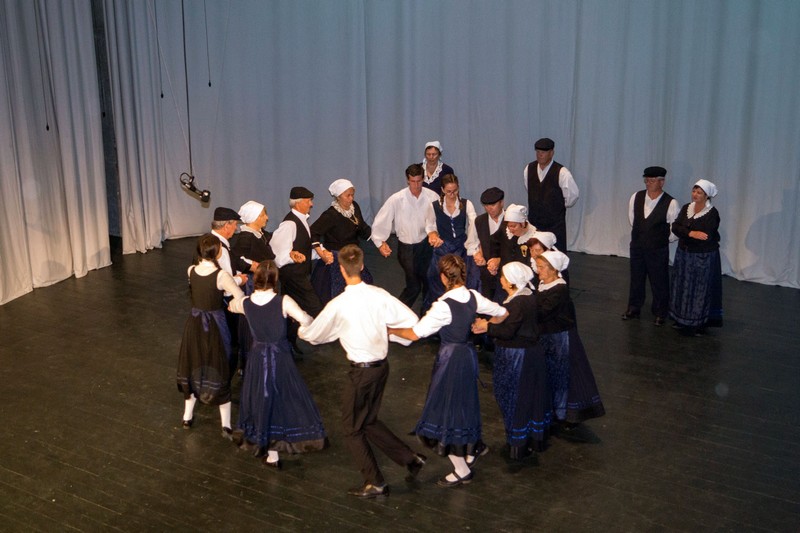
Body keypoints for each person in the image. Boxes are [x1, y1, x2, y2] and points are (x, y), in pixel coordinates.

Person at [298, 244, 426, 499]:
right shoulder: (379, 295)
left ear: (342, 270)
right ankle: (410, 459)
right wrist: (390, 333)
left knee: (352, 428)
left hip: (361, 374)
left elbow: (314, 335)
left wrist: (302, 327)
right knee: (367, 421)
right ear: (362, 266)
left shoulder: (339, 304)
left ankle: (375, 482)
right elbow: (413, 323)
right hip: (381, 369)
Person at [389, 254, 508, 488]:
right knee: (464, 404)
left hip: (451, 360)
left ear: (443, 277)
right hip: (467, 356)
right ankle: (473, 447)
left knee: (444, 411)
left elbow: (415, 334)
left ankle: (462, 470)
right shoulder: (473, 296)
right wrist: (485, 325)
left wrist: (390, 330)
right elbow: (502, 313)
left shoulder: (442, 306)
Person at [228, 261, 327, 468]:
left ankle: (271, 452)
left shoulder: (245, 303)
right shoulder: (283, 301)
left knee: (262, 398)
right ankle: (282, 444)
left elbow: (231, 306)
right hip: (279, 357)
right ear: (275, 280)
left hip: (257, 358)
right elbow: (305, 320)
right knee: (285, 397)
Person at [472, 262, 552, 460]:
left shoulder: (517, 303)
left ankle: (518, 443)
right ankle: (530, 439)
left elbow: (508, 331)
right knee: (527, 397)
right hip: (530, 354)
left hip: (518, 357)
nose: (500, 280)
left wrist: (487, 328)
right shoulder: (527, 296)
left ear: (510, 282)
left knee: (514, 397)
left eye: (503, 277)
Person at [176, 234, 244, 440]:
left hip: (194, 324)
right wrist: (231, 304)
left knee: (194, 363)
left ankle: (187, 416)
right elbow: (238, 296)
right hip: (215, 325)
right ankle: (225, 424)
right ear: (218, 252)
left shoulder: (191, 270)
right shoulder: (221, 275)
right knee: (219, 366)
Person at [535, 251, 605, 438]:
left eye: (541, 267)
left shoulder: (559, 290)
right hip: (548, 337)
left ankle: (566, 414)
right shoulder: (543, 285)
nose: (538, 270)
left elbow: (543, 312)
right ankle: (553, 410)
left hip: (560, 339)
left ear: (553, 270)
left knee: (564, 375)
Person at [371, 164, 440, 313]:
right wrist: (380, 242)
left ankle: (427, 315)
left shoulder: (432, 197)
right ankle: (396, 314)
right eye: (413, 181)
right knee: (414, 285)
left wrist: (434, 234)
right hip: (406, 248)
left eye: (419, 181)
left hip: (426, 246)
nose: (416, 185)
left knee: (428, 281)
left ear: (423, 179)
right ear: (408, 180)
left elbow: (437, 220)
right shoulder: (397, 199)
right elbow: (382, 220)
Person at [622, 166, 680, 326]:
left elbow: (675, 228)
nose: (648, 183)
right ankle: (634, 307)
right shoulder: (636, 197)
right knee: (636, 278)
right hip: (638, 246)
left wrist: (661, 239)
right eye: (646, 180)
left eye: (652, 180)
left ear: (662, 182)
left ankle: (660, 312)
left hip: (657, 249)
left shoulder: (671, 202)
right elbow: (633, 219)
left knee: (659, 280)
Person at [271, 186, 324, 353]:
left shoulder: (301, 220)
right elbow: (277, 253)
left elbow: (302, 248)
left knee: (291, 311)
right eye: (309, 201)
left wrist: (318, 255)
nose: (311, 204)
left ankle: (288, 343)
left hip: (297, 274)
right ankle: (328, 334)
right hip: (293, 276)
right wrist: (292, 257)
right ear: (299, 203)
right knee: (314, 305)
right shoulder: (289, 224)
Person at [670, 179, 723, 336]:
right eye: (694, 191)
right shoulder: (687, 208)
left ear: (707, 196)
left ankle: (698, 323)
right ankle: (681, 318)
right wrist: (691, 233)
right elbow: (675, 227)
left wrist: (685, 232)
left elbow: (706, 235)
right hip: (684, 255)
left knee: (699, 289)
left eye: (699, 192)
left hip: (702, 256)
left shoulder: (712, 213)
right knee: (682, 285)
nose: (695, 194)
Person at [310, 178, 373, 306]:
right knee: (336, 294)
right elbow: (313, 232)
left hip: (353, 255)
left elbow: (362, 227)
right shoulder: (331, 215)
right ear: (338, 197)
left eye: (352, 195)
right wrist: (321, 252)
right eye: (347, 195)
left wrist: (378, 239)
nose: (351, 199)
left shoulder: (354, 207)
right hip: (337, 259)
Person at [424, 174, 481, 312]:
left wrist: (471, 245)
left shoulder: (467, 204)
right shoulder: (434, 206)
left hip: (461, 247)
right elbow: (429, 225)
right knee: (435, 277)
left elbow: (473, 224)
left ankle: (462, 310)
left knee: (466, 278)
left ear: (458, 188)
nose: (452, 194)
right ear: (442, 190)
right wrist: (433, 235)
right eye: (448, 191)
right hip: (442, 247)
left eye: (455, 191)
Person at [231, 200, 275, 373]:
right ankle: (249, 362)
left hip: (261, 282)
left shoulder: (258, 234)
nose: (266, 218)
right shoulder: (246, 237)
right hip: (253, 285)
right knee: (252, 324)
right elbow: (236, 258)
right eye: (263, 215)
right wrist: (251, 266)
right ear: (254, 218)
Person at [208, 206, 250, 374]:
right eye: (234, 225)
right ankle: (229, 372)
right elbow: (226, 283)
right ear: (226, 226)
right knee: (231, 339)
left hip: (209, 300)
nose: (236, 228)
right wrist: (241, 279)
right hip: (224, 303)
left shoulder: (207, 242)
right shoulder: (221, 250)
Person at [523, 137, 579, 253]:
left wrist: (556, 206)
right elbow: (529, 189)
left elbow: (572, 196)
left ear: (551, 153)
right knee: (535, 253)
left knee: (555, 254)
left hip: (554, 225)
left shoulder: (562, 172)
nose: (540, 155)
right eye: (538, 152)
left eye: (543, 152)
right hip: (534, 223)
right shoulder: (529, 169)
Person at [487, 204, 538, 275]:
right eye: (508, 226)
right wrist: (495, 258)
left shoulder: (535, 238)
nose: (510, 230)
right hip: (505, 275)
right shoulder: (504, 231)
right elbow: (494, 243)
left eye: (513, 226)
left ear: (523, 224)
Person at [474, 187, 505, 302]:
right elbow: (475, 243)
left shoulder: (511, 220)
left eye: (493, 205)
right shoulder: (479, 221)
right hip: (487, 273)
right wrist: (478, 254)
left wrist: (499, 260)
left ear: (502, 203)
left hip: (507, 273)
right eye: (486, 205)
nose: (489, 209)